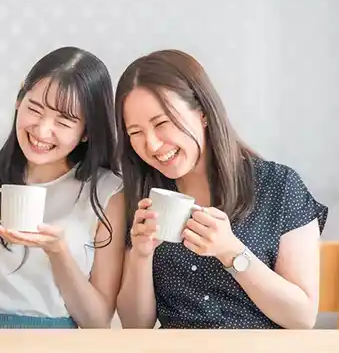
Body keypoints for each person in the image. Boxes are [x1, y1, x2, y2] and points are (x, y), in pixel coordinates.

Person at [115, 49, 327, 329]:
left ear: (203, 113)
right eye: (135, 132)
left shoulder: (279, 186)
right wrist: (141, 256)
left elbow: (301, 318)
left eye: (162, 123)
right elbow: (135, 326)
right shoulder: (143, 195)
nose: (152, 145)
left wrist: (231, 252)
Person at [0, 47, 125, 328]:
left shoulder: (107, 193)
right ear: (19, 100)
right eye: (35, 109)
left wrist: (59, 253)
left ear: (87, 132)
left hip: (57, 349)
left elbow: (97, 322)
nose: (42, 131)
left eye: (64, 121)